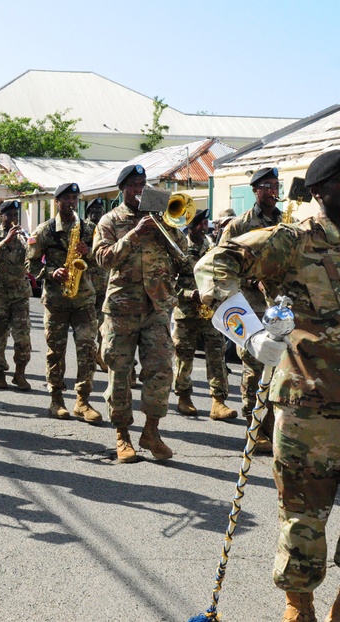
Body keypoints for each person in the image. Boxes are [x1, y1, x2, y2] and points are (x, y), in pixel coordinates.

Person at [197, 144, 340, 622]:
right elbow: (213, 266)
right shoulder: (290, 241)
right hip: (304, 401)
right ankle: (299, 608)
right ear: (318, 190)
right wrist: (248, 334)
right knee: (304, 517)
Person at [92, 165, 194, 463]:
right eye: (134, 184)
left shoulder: (164, 220)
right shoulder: (110, 221)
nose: (140, 189)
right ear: (123, 188)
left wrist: (168, 231)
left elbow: (184, 258)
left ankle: (151, 431)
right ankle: (122, 435)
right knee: (120, 374)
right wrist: (135, 235)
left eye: (143, 184)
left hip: (156, 308)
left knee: (161, 371)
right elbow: (103, 259)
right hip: (121, 309)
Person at [219, 166, 283, 453]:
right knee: (255, 368)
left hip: (281, 308)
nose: (273, 190)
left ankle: (277, 428)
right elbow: (221, 264)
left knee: (282, 370)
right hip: (250, 307)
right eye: (267, 185)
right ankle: (255, 427)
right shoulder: (239, 225)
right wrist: (250, 277)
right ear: (255, 191)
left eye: (275, 185)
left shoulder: (288, 222)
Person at [26, 183, 102, 422]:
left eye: (74, 198)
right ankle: (56, 399)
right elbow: (31, 265)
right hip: (56, 301)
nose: (71, 202)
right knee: (55, 351)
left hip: (84, 301)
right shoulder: (44, 230)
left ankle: (83, 401)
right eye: (66, 198)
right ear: (56, 201)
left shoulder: (89, 228)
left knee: (87, 350)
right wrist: (51, 273)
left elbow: (103, 261)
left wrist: (88, 252)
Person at [171, 209, 237, 421]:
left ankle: (218, 402)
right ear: (189, 225)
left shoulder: (212, 246)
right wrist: (190, 294)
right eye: (199, 224)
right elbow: (168, 282)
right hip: (186, 313)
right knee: (184, 358)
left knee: (217, 356)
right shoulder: (179, 249)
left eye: (206, 223)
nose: (204, 227)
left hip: (211, 312)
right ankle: (183, 397)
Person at [0, 199, 32, 391]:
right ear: (1, 216)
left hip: (19, 293)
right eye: (8, 215)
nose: (12, 219)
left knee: (23, 336)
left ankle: (20, 374)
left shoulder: (23, 237)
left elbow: (32, 262)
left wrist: (31, 246)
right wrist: (5, 241)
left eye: (15, 216)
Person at [84, 198, 108, 371]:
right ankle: (89, 356)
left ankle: (100, 354)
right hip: (88, 282)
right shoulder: (84, 229)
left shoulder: (107, 227)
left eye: (99, 209)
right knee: (89, 323)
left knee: (104, 322)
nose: (96, 213)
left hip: (105, 282)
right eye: (93, 209)